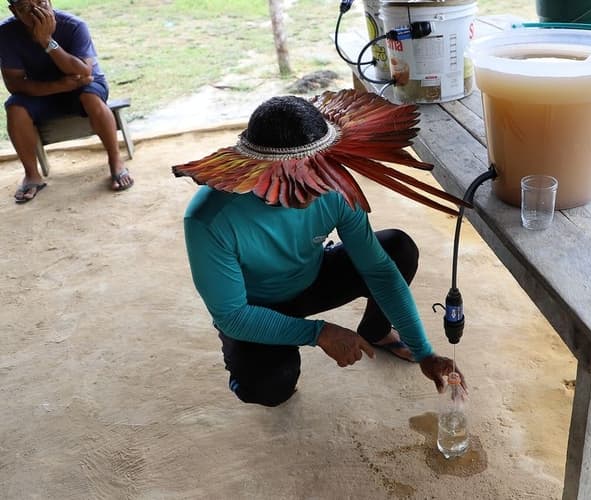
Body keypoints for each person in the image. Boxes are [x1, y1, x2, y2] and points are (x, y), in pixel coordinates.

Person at [172, 90, 468, 407]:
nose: (320, 179)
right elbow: (232, 315)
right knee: (269, 387)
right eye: (302, 171)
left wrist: (424, 351)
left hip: (311, 277)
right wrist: (319, 333)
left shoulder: (333, 184)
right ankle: (261, 361)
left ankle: (376, 331)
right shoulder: (209, 219)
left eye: (323, 163)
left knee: (398, 249)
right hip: (255, 305)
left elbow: (378, 271)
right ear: (261, 168)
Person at [0, 0, 133, 203]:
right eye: (26, 8)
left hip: (83, 86)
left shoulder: (73, 25)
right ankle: (32, 175)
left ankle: (116, 162)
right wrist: (60, 86)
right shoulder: (6, 34)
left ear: (50, 1)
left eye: (40, 2)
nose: (37, 11)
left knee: (91, 98)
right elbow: (15, 84)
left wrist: (47, 41)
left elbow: (83, 72)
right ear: (14, 12)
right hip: (45, 90)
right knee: (15, 108)